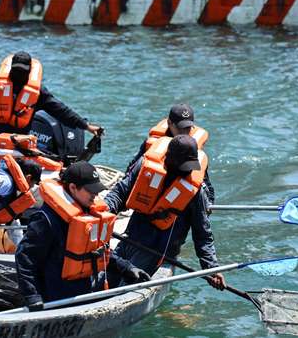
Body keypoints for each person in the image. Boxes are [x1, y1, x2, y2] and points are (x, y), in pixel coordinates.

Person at [15, 161, 150, 309]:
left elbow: (96, 251)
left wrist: (127, 268)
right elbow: (24, 257)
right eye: (91, 191)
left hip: (82, 295)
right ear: (73, 187)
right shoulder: (45, 220)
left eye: (97, 191)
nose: (95, 195)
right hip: (54, 300)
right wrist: (32, 296)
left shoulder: (87, 213)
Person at [104, 135, 226, 290]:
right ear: (171, 160)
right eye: (185, 165)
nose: (190, 170)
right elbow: (120, 193)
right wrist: (103, 212)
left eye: (192, 165)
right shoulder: (146, 167)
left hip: (157, 250)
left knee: (124, 287)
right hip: (130, 238)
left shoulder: (195, 192)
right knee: (105, 278)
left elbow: (202, 234)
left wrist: (211, 268)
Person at [0, 52, 101, 167]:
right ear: (10, 69)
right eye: (16, 70)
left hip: (19, 146)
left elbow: (61, 110)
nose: (18, 74)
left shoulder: (37, 93)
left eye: (22, 71)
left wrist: (86, 126)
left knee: (16, 176)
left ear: (29, 72)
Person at [124, 104, 215, 211]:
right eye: (180, 128)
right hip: (150, 197)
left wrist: (208, 203)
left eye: (188, 128)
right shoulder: (154, 145)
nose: (185, 132)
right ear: (169, 123)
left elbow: (204, 182)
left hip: (176, 203)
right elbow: (131, 171)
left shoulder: (191, 148)